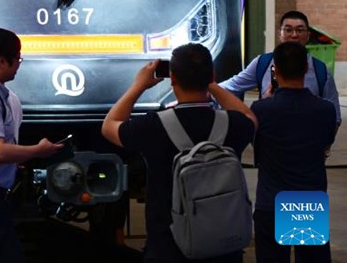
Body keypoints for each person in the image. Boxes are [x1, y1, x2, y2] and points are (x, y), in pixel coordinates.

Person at [101, 43, 257, 263]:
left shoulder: (153, 126)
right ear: (211, 75)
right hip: (223, 247)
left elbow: (109, 125)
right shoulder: (233, 124)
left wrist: (139, 85)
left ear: (172, 78)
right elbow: (249, 116)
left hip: (168, 248)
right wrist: (212, 85)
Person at [0, 28, 64, 262]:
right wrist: (38, 151)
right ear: (2, 61)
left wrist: (14, 161)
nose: (19, 64)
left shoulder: (2, 95)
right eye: (17, 58)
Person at [251, 41, 338, 263]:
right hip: (307, 200)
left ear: (275, 70)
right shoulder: (325, 110)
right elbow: (325, 144)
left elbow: (257, 146)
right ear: (307, 68)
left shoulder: (261, 110)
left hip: (271, 199)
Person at [220, 10, 341, 124]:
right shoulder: (263, 63)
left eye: (300, 30)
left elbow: (335, 117)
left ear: (308, 35)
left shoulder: (320, 70)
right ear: (280, 33)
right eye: (288, 30)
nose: (294, 35)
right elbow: (230, 86)